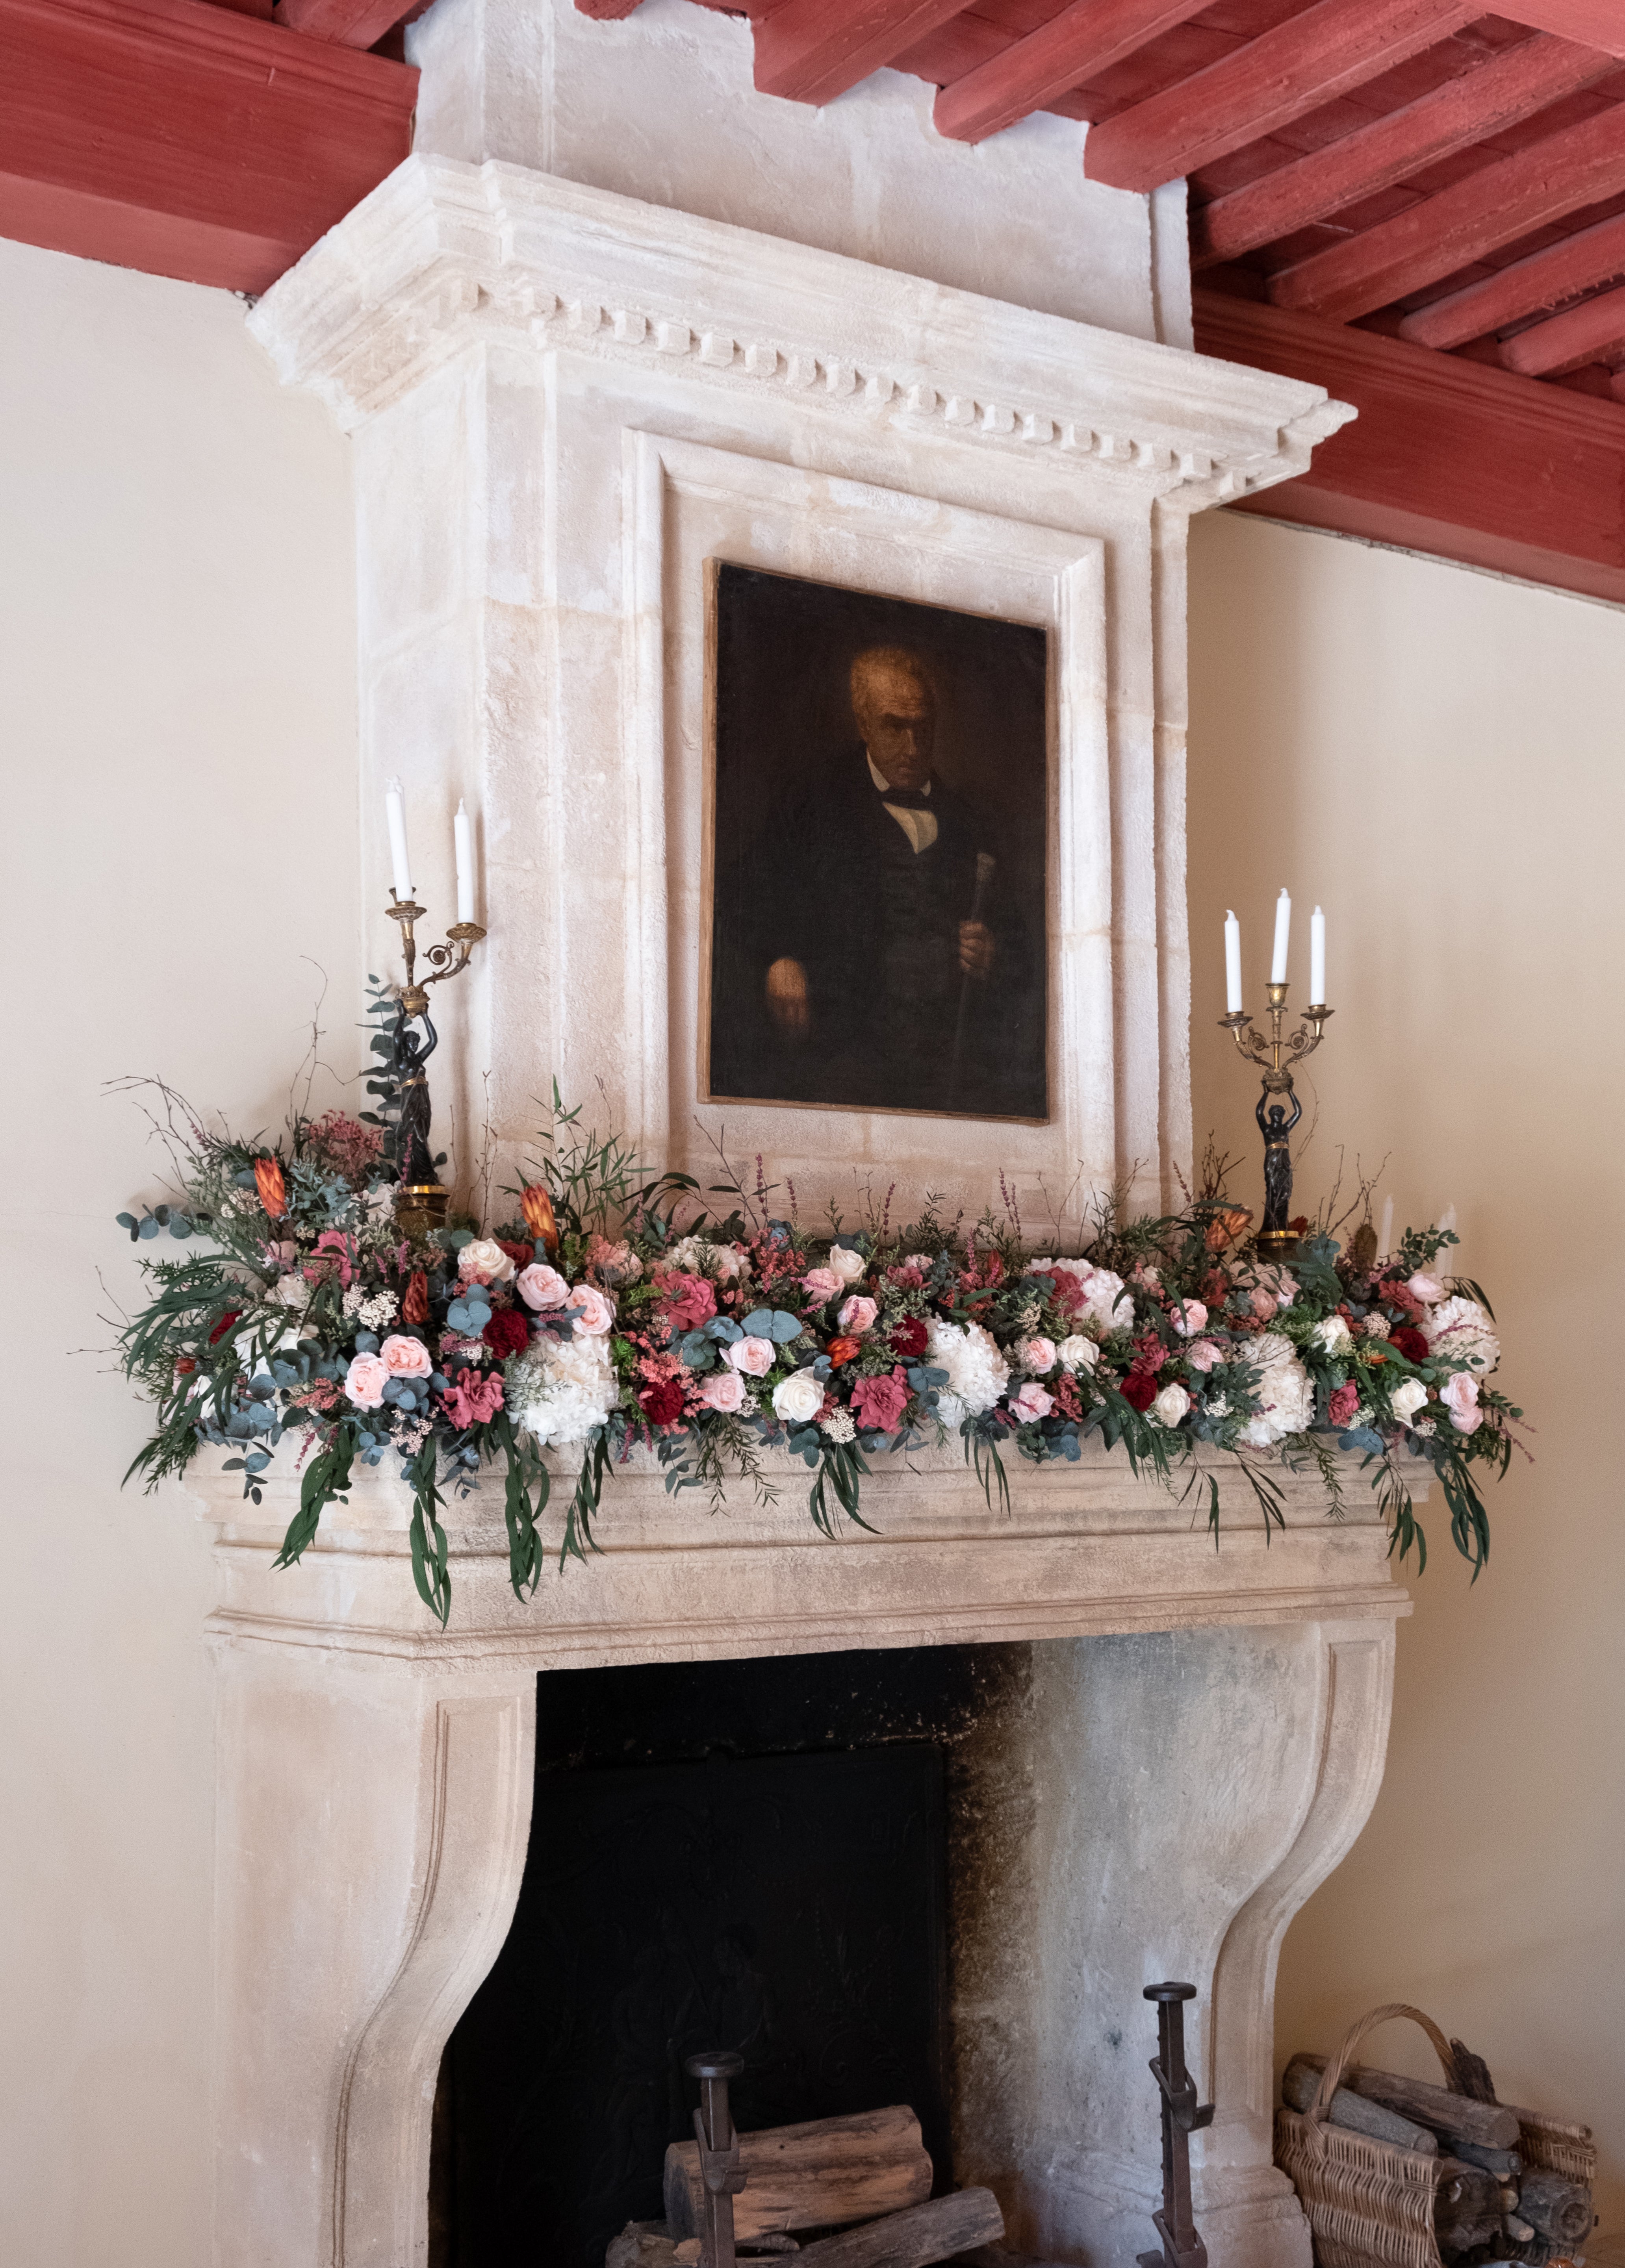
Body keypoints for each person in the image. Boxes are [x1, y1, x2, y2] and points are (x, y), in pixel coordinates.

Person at [711, 644, 1044, 1117]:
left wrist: (994, 952)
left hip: (951, 1061)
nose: (912, 748)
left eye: (923, 728)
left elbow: (1026, 949)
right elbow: (734, 899)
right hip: (844, 1050)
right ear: (864, 724)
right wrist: (776, 960)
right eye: (894, 726)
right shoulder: (812, 804)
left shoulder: (975, 821)